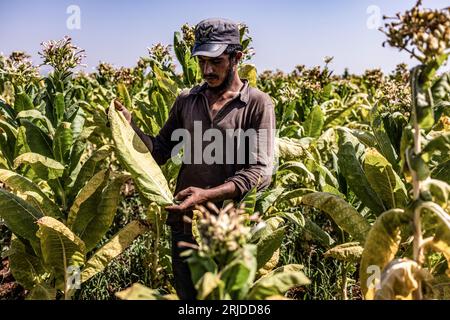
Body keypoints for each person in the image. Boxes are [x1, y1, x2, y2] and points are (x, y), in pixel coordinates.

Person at [114, 18, 275, 299]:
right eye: (201, 61)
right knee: (189, 298)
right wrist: (129, 128)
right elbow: (161, 150)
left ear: (237, 57)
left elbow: (260, 172)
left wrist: (206, 195)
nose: (207, 70)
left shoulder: (257, 104)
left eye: (216, 61)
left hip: (228, 229)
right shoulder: (187, 100)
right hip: (185, 221)